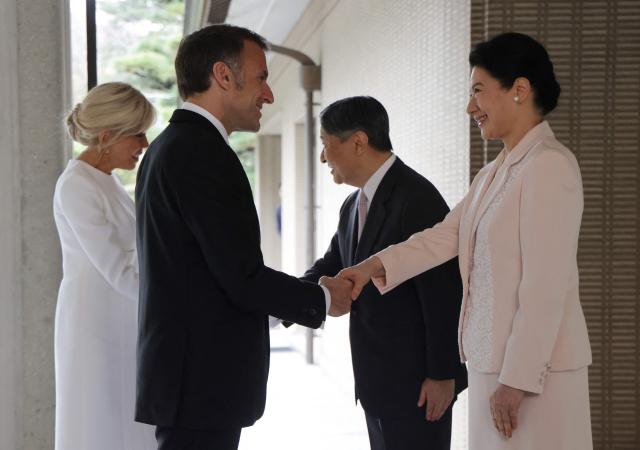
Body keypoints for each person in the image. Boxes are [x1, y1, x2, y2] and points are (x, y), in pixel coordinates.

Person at [338, 33, 592, 450]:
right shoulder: (493, 173)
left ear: (520, 90)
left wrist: (516, 380)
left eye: (478, 91)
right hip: (492, 368)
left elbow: (546, 286)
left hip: (535, 376)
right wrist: (371, 267)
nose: (469, 107)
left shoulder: (549, 166)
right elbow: (443, 237)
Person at [134, 24, 353, 450]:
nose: (268, 95)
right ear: (223, 75)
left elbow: (209, 272)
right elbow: (239, 275)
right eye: (261, 78)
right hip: (199, 382)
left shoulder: (174, 147)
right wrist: (323, 298)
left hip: (190, 380)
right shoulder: (200, 153)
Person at [301, 96, 467, 450]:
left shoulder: (416, 197)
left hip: (418, 387)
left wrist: (442, 375)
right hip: (378, 383)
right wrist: (280, 300)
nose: (323, 157)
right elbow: (333, 264)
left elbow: (443, 295)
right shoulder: (353, 204)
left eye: (325, 144)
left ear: (358, 141)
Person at [53, 82, 156, 450]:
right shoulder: (76, 186)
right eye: (138, 134)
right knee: (101, 425)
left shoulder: (107, 182)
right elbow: (121, 271)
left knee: (127, 424)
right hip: (95, 327)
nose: (144, 145)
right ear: (107, 135)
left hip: (124, 320)